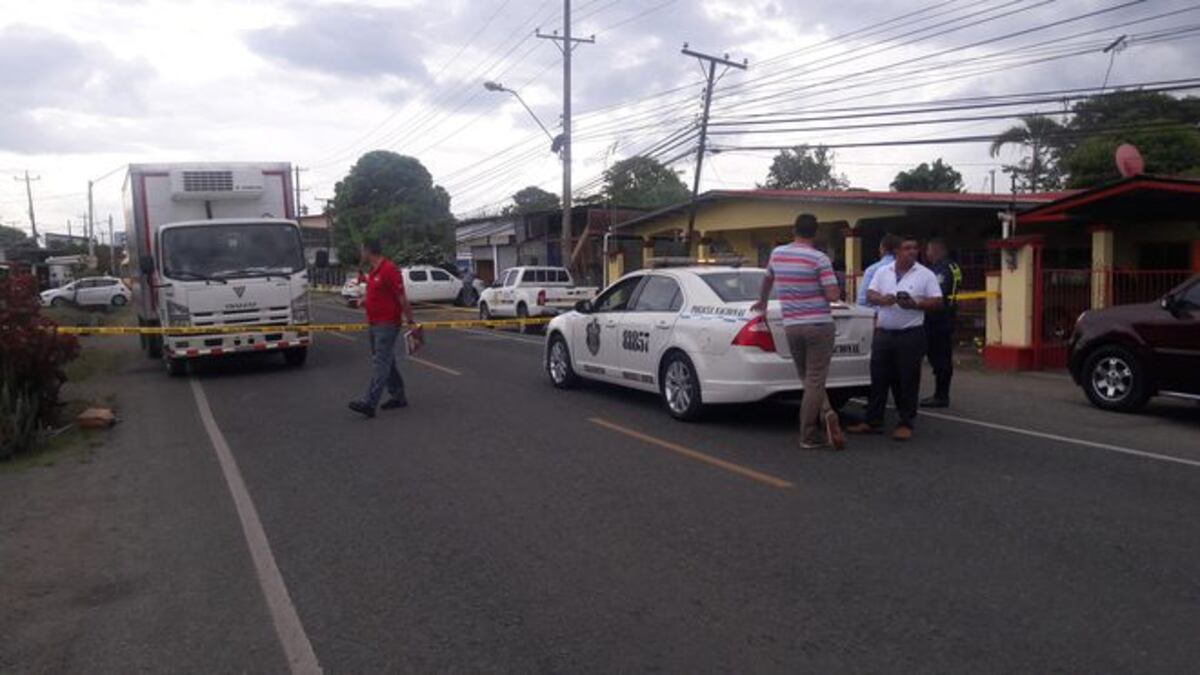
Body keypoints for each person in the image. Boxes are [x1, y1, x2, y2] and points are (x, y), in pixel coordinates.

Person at [752, 213, 846, 450]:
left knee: (807, 378)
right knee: (815, 378)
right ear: (815, 233)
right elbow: (833, 295)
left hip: (792, 325)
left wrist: (762, 302)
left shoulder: (778, 254)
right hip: (818, 325)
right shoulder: (819, 259)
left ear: (794, 230)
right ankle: (808, 434)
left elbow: (767, 280)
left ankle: (826, 412)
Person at [846, 236, 943, 441]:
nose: (912, 251)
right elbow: (870, 294)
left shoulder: (925, 274)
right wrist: (883, 299)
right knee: (878, 378)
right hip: (883, 333)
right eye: (907, 248)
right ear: (897, 251)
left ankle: (906, 422)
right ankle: (873, 421)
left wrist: (915, 304)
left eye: (915, 248)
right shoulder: (883, 271)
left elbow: (937, 301)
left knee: (907, 380)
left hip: (910, 334)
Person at [348, 239, 415, 419]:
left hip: (387, 324)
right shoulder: (374, 271)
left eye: (362, 250)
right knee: (386, 360)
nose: (361, 254)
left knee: (381, 362)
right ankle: (398, 396)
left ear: (369, 251)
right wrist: (362, 302)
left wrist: (411, 320)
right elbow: (377, 296)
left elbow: (401, 297)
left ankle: (369, 402)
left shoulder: (389, 269)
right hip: (374, 323)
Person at [921, 238, 962, 408]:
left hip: (938, 319)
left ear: (936, 251)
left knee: (940, 359)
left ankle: (941, 395)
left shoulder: (942, 269)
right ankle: (940, 394)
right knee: (942, 358)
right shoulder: (953, 266)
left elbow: (938, 294)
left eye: (929, 251)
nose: (927, 255)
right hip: (946, 317)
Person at [856, 233, 901, 306]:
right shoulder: (909, 268)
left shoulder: (872, 270)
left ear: (882, 249)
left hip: (878, 313)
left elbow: (862, 300)